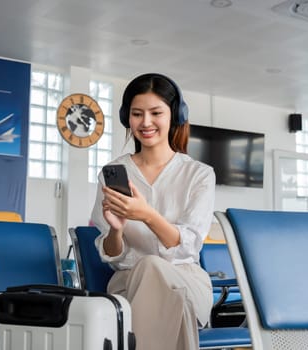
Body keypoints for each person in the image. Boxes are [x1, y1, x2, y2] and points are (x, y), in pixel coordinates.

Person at [90, 73, 216, 350]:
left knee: (154, 268)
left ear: (175, 115)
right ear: (127, 118)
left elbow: (188, 246)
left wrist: (147, 214)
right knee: (160, 289)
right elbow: (111, 256)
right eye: (137, 114)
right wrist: (117, 229)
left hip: (184, 279)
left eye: (156, 112)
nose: (145, 123)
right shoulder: (113, 173)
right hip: (128, 284)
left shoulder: (199, 175)